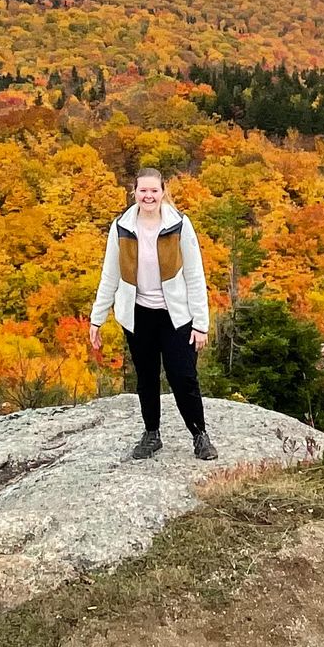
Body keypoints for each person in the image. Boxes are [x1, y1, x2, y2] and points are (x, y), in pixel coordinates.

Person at [89, 167, 217, 460]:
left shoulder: (179, 225)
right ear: (134, 191)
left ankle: (200, 435)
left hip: (176, 316)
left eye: (154, 190)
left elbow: (195, 276)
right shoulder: (121, 226)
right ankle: (151, 434)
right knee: (146, 377)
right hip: (138, 314)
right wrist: (97, 318)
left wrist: (201, 324)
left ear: (163, 192)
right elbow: (110, 274)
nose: (148, 196)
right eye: (143, 190)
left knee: (183, 376)